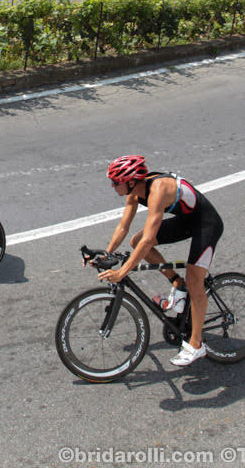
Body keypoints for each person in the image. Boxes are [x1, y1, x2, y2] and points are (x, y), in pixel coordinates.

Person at [97, 155, 224, 367]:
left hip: (206, 223)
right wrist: (107, 254)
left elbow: (148, 240)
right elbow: (123, 227)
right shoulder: (134, 193)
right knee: (135, 240)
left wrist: (122, 272)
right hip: (186, 221)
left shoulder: (157, 190)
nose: (112, 185)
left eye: (115, 181)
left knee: (195, 281)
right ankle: (176, 283)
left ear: (130, 180)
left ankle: (196, 345)